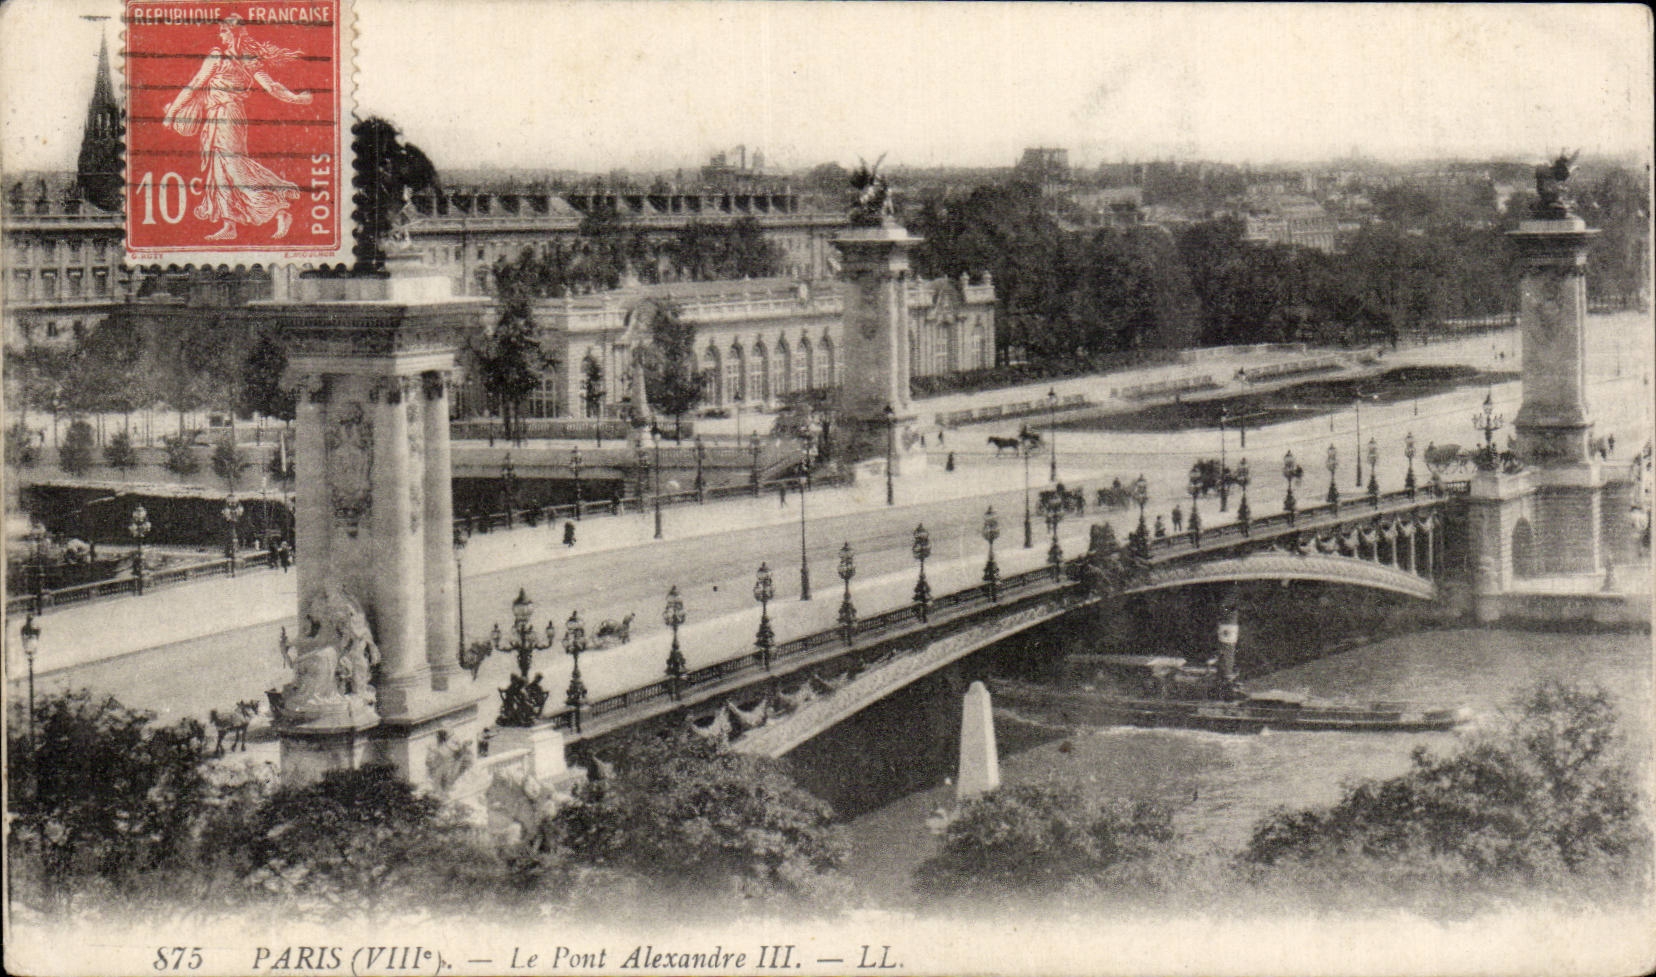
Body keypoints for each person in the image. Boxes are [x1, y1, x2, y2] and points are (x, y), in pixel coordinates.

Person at [162, 15, 312, 241]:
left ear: (233, 33)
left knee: (234, 167)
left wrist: (172, 113)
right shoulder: (245, 60)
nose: (220, 35)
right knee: (219, 169)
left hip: (227, 116)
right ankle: (229, 224)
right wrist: (296, 99)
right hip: (218, 117)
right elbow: (272, 87)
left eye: (223, 31)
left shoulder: (224, 58)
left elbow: (194, 86)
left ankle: (279, 210)